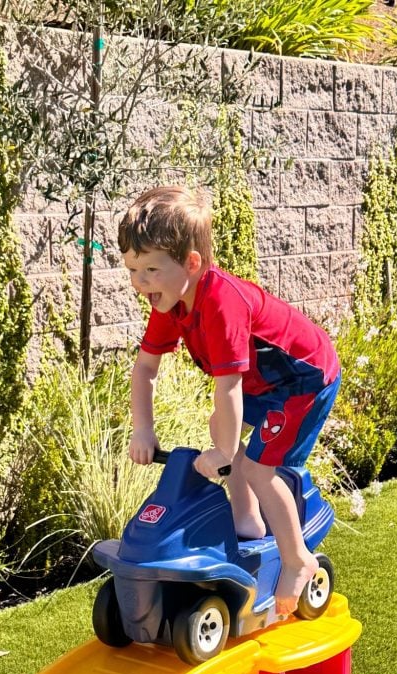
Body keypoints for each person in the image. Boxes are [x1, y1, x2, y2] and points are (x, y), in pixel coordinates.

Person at [117, 185, 341, 616]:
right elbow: (144, 370)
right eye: (132, 269)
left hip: (304, 380)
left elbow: (229, 385)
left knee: (257, 466)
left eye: (150, 270)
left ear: (192, 263)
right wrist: (143, 429)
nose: (138, 283)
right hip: (266, 386)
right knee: (220, 427)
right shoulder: (170, 306)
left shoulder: (221, 304)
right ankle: (248, 523)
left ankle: (297, 559)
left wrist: (223, 450)